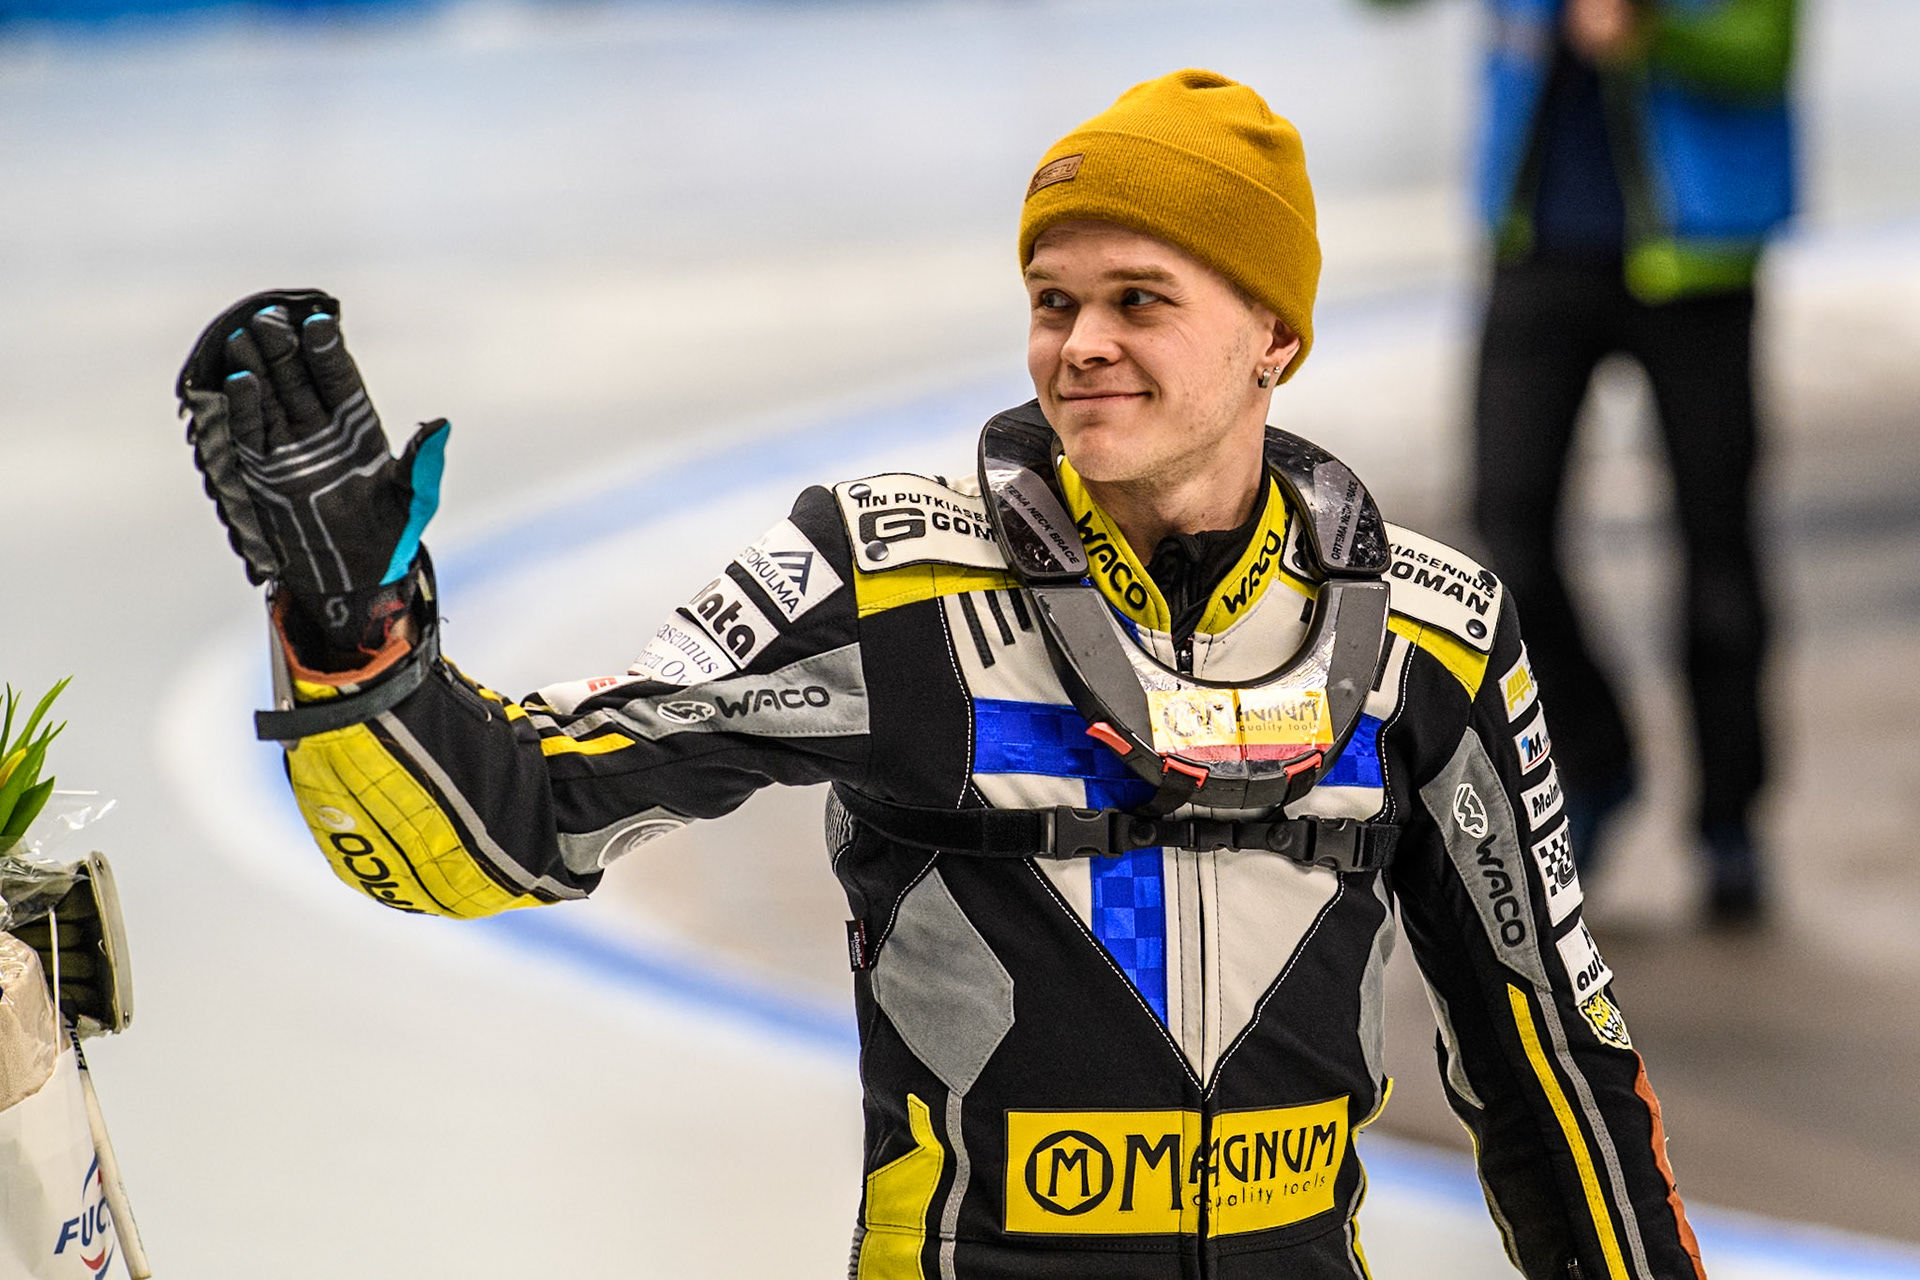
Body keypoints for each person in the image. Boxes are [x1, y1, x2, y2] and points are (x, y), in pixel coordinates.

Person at [176, 70, 1708, 1280]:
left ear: (1275, 335)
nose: (1078, 345)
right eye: (1054, 300)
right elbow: (516, 822)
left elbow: (1555, 1065)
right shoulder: (885, 579)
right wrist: (357, 640)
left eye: (1139, 298)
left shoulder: (1435, 639)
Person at [1373, 0, 1796, 921]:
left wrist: (1647, 26)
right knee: (1505, 529)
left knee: (1718, 547)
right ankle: (1598, 762)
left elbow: (1766, 50)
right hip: (1536, 240)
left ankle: (1731, 823)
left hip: (1698, 246)